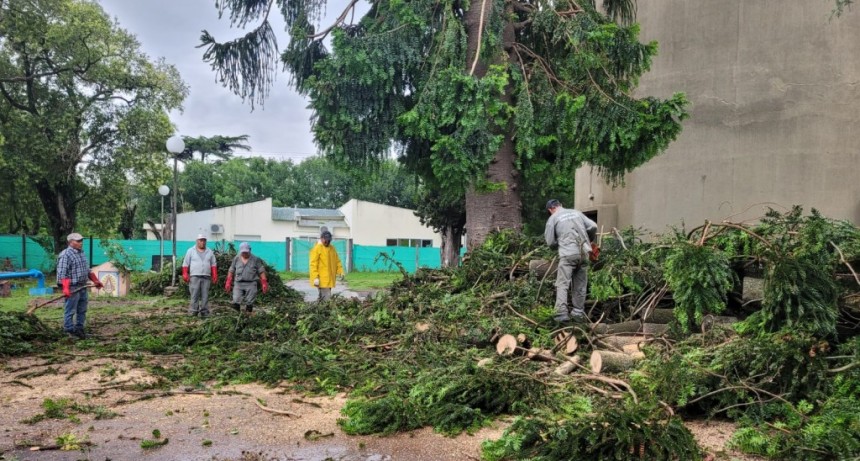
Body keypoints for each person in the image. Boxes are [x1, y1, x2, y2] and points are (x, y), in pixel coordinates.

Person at [544, 199, 597, 323]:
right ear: (560, 205)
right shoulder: (576, 212)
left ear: (550, 209)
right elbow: (593, 226)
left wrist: (560, 243)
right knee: (580, 284)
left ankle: (561, 313)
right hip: (584, 253)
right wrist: (588, 239)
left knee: (562, 283)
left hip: (568, 254)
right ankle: (578, 313)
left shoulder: (553, 218)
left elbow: (550, 242)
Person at [56, 232, 103, 338]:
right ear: (70, 242)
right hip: (73, 287)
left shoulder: (81, 253)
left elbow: (87, 269)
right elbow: (62, 273)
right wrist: (66, 288)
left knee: (82, 309)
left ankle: (79, 330)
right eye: (78, 241)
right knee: (70, 310)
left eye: (81, 241)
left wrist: (95, 280)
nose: (81, 243)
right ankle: (69, 330)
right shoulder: (65, 255)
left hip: (82, 286)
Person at [225, 242, 269, 313]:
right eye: (243, 252)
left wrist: (264, 282)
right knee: (236, 299)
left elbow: (261, 271)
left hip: (251, 283)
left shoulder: (255, 259)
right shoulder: (236, 258)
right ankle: (236, 316)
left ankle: (248, 316)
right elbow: (231, 269)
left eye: (246, 252)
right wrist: (228, 281)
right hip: (238, 283)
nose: (244, 254)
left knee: (250, 301)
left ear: (250, 250)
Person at [182, 234, 218, 317]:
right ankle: (193, 311)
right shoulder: (191, 251)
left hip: (206, 276)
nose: (202, 242)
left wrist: (215, 274)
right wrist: (185, 273)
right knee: (194, 294)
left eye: (204, 240)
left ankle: (204, 312)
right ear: (197, 241)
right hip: (195, 276)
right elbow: (185, 263)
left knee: (205, 295)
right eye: (201, 240)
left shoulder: (209, 251)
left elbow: (213, 263)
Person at [309, 230, 344, 301]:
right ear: (321, 238)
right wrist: (315, 277)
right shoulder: (317, 249)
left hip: (330, 279)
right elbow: (313, 264)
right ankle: (325, 311)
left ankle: (319, 310)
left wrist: (341, 272)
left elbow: (337, 261)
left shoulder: (332, 248)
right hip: (322, 280)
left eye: (329, 241)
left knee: (322, 298)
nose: (327, 242)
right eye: (326, 240)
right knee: (326, 299)